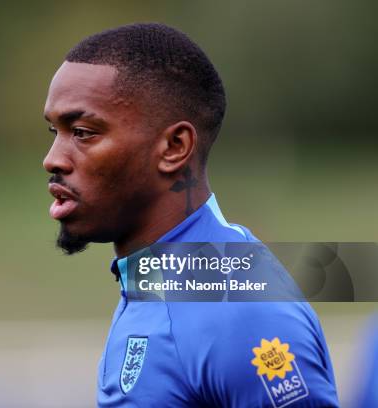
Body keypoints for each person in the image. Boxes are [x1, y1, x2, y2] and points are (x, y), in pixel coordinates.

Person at [42, 23, 339, 407]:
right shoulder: (161, 280)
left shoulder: (239, 313)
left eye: (82, 132)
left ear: (174, 147)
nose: (52, 159)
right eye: (55, 130)